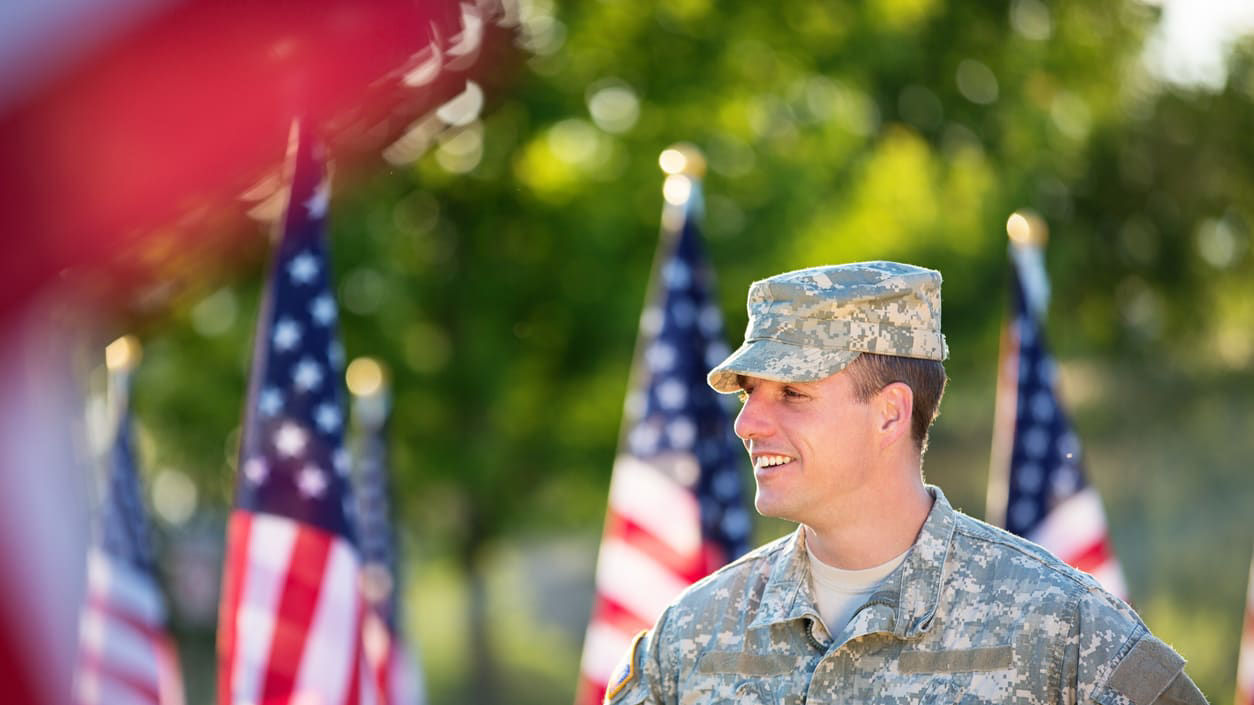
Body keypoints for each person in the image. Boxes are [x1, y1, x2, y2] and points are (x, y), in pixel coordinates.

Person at [604, 261, 1207, 705]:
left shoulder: (1059, 628)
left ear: (890, 413)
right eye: (750, 394)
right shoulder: (692, 636)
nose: (748, 423)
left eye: (792, 394)